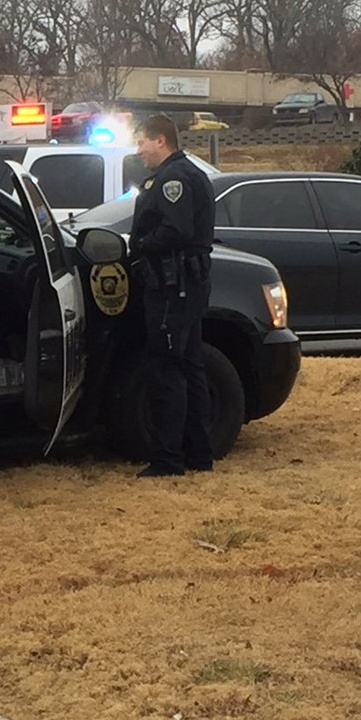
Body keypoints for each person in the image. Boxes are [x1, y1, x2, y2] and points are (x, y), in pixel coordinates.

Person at [128, 114, 216, 478]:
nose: (139, 150)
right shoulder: (186, 173)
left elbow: (176, 230)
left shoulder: (173, 179)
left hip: (171, 287)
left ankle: (168, 458)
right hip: (185, 285)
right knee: (190, 366)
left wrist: (142, 245)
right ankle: (199, 452)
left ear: (161, 140)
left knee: (167, 369)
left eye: (142, 142)